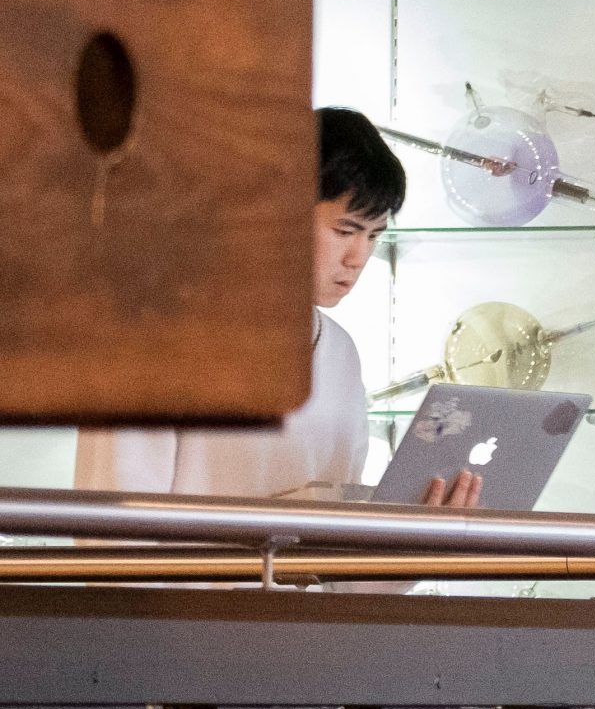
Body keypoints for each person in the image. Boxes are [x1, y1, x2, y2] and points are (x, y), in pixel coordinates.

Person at [74, 106, 480, 508]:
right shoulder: (156, 340)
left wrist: (424, 534)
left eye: (374, 236)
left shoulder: (340, 353)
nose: (359, 257)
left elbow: (337, 554)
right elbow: (112, 539)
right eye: (345, 230)